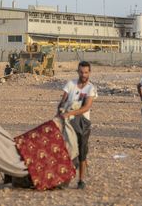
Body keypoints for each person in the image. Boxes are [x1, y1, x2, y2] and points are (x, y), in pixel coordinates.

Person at [58, 61, 97, 189]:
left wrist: (70, 114)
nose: (83, 74)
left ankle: (81, 180)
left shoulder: (91, 88)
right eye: (81, 72)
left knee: (82, 152)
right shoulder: (70, 84)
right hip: (68, 124)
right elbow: (62, 101)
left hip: (83, 124)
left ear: (89, 72)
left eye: (86, 72)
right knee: (67, 150)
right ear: (78, 72)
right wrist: (61, 111)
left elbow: (86, 107)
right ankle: (64, 178)